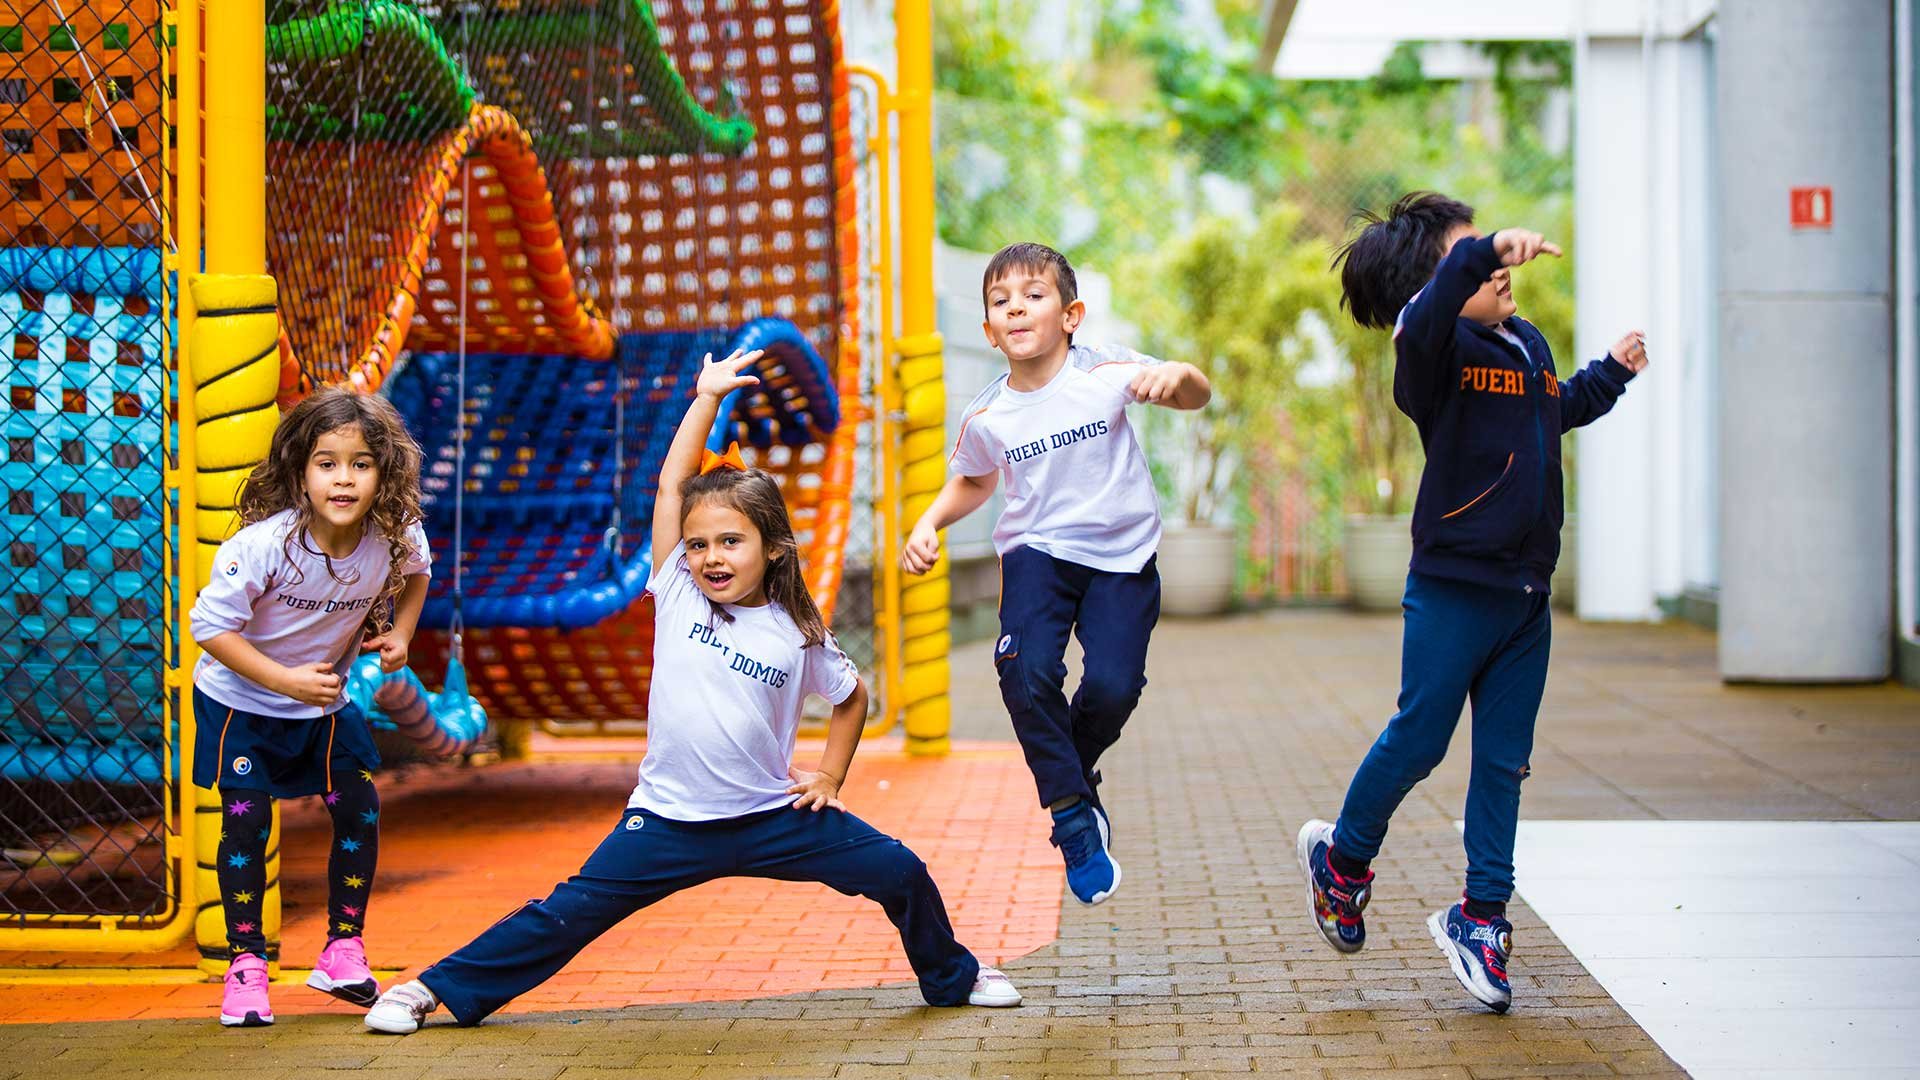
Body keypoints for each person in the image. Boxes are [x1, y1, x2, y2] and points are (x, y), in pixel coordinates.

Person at [364, 349, 1021, 1034]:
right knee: (567, 913)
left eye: (730, 542)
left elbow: (852, 697)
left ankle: (955, 974)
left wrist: (828, 775)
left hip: (773, 817)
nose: (711, 556)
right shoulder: (677, 588)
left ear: (771, 548)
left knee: (900, 870)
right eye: (700, 543)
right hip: (670, 820)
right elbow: (673, 485)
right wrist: (705, 396)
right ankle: (431, 990)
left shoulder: (799, 629)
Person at [1298, 192, 1649, 1012]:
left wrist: (1610, 376)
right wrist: (1482, 249)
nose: (1497, 269)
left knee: (1504, 762)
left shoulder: (1524, 343)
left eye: (1491, 257)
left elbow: (1551, 410)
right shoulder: (1430, 349)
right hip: (1455, 587)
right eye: (1476, 262)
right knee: (1419, 739)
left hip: (1527, 595)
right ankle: (1344, 863)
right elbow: (1431, 310)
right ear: (1442, 285)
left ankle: (1482, 917)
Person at [901, 242, 1211, 906]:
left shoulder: (1106, 374)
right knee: (1026, 669)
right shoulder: (988, 414)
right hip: (1037, 554)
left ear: (1071, 315)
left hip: (1121, 558)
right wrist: (930, 522)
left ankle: (1075, 767)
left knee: (1112, 687)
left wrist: (1180, 374)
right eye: (1000, 300)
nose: (1016, 308)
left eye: (1033, 295)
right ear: (988, 330)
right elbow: (976, 478)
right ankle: (1071, 814)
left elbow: (1194, 395)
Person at [190, 386, 431, 1026]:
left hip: (322, 706)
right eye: (327, 463)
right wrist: (285, 681)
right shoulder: (265, 545)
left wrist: (402, 634)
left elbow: (418, 575)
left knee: (359, 809)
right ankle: (246, 968)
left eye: (360, 463)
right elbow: (210, 629)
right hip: (240, 701)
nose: (344, 479)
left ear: (385, 471)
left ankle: (343, 949)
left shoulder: (394, 534)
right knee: (246, 824)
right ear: (301, 470)